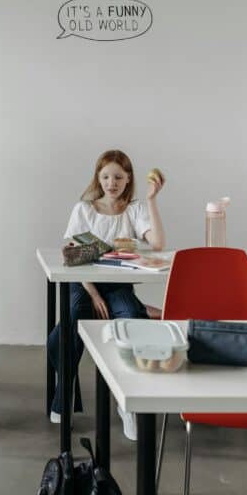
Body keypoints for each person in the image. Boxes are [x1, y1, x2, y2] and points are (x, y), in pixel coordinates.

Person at [47, 149, 166, 436]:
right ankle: (64, 397)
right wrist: (94, 294)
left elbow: (159, 244)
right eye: (105, 176)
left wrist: (151, 200)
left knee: (130, 317)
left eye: (118, 177)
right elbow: (74, 258)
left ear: (128, 180)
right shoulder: (84, 209)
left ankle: (128, 402)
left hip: (118, 283)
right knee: (75, 314)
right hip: (84, 282)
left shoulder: (135, 209)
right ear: (98, 179)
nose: (111, 183)